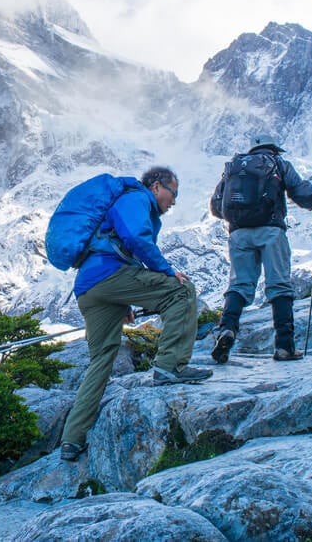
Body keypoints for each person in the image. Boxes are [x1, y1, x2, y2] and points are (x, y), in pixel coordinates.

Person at [59, 166, 210, 462]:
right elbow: (136, 239)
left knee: (101, 358)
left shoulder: (127, 201)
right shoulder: (137, 198)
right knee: (181, 291)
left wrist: (125, 303)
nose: (174, 201)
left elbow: (118, 249)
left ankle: (72, 439)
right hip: (110, 277)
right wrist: (168, 271)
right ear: (156, 187)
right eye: (173, 193)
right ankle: (171, 366)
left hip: (90, 287)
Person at [211, 134, 312, 364]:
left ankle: (227, 328)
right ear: (273, 149)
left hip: (238, 233)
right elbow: (300, 191)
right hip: (271, 231)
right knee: (279, 286)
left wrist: (238, 221)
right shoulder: (278, 164)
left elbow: (216, 205)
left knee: (239, 285)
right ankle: (284, 347)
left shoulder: (234, 168)